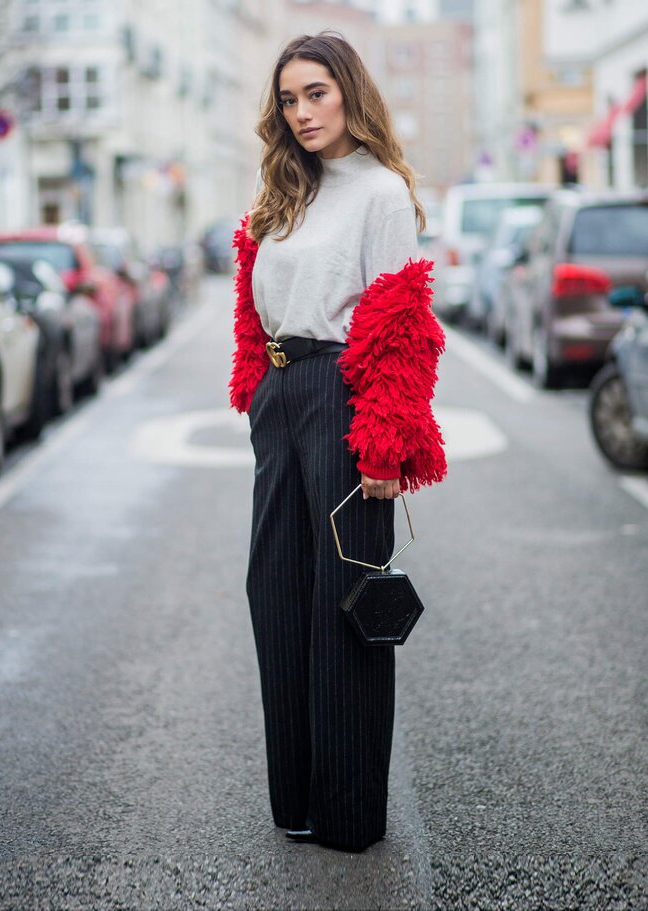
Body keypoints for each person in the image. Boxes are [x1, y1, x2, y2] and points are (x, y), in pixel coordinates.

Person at [229, 32, 447, 852]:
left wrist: (387, 443)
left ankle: (349, 812)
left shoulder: (380, 191)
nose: (302, 112)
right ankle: (298, 800)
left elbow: (401, 324)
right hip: (280, 398)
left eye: (316, 93)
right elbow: (254, 305)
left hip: (344, 395)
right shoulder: (285, 188)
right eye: (289, 99)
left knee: (343, 605)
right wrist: (256, 387)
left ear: (349, 93)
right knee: (275, 594)